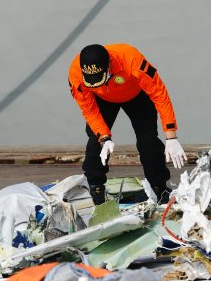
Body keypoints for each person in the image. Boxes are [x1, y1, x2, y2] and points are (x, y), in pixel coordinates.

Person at [68, 43, 187, 205]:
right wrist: (104, 137)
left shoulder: (131, 60)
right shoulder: (76, 74)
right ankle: (95, 187)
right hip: (103, 99)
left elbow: (160, 95)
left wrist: (171, 136)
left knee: (148, 140)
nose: (98, 83)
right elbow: (89, 110)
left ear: (109, 64)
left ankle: (159, 187)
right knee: (96, 142)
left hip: (137, 94)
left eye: (100, 78)